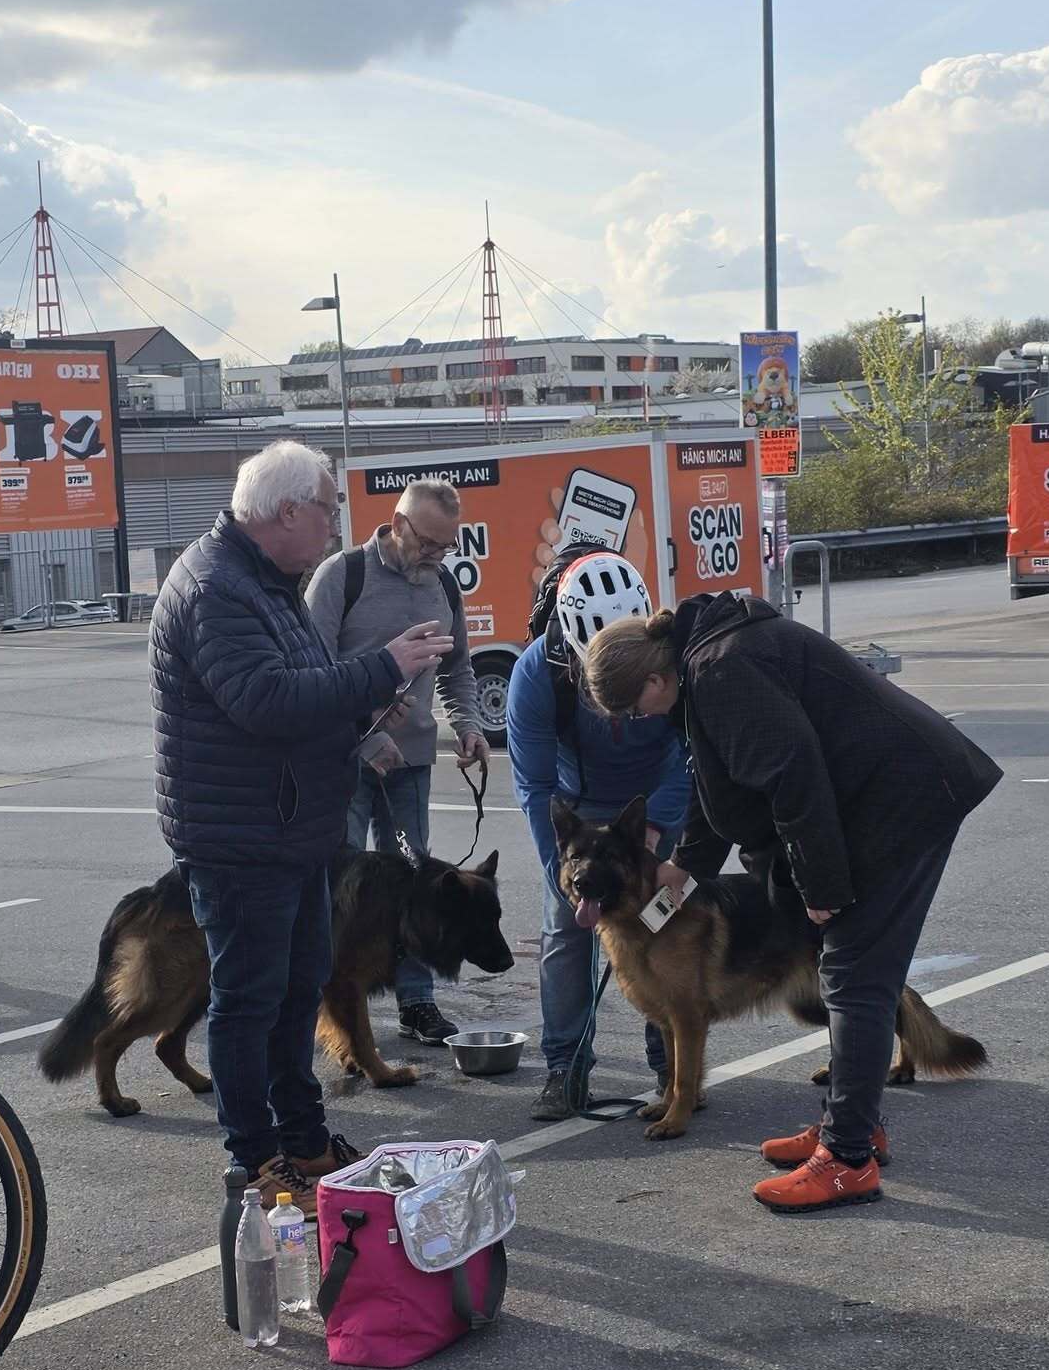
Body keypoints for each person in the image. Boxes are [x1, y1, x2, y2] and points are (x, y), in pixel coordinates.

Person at [582, 593, 1002, 1213]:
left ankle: (847, 1159)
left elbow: (792, 776)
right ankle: (851, 1126)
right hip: (875, 803)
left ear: (653, 680)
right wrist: (687, 864)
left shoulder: (721, 671)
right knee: (848, 974)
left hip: (904, 802)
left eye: (635, 709)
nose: (641, 719)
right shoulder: (703, 667)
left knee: (854, 978)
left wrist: (820, 887)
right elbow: (717, 781)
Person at [148, 440, 454, 1213]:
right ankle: (254, 1159)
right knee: (250, 1002)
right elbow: (266, 701)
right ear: (287, 511)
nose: (335, 526)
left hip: (290, 830)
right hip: (243, 838)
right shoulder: (216, 586)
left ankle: (306, 1141)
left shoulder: (266, 580)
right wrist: (382, 668)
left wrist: (364, 724)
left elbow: (307, 687)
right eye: (328, 509)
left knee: (294, 995)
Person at [506, 550, 691, 1121]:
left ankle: (672, 1067)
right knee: (567, 935)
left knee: (662, 927)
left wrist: (655, 831)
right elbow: (535, 785)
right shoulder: (536, 675)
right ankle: (565, 1069)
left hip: (655, 805)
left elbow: (693, 757)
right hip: (577, 811)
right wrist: (559, 870)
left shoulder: (675, 659)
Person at [306, 476, 489, 1048]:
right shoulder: (342, 576)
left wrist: (468, 725)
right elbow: (310, 673)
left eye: (446, 546)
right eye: (427, 543)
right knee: (339, 890)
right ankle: (326, 1000)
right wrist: (364, 736)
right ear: (397, 524)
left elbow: (457, 667)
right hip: (343, 761)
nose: (435, 556)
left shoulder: (444, 585)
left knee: (418, 888)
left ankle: (417, 1002)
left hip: (411, 762)